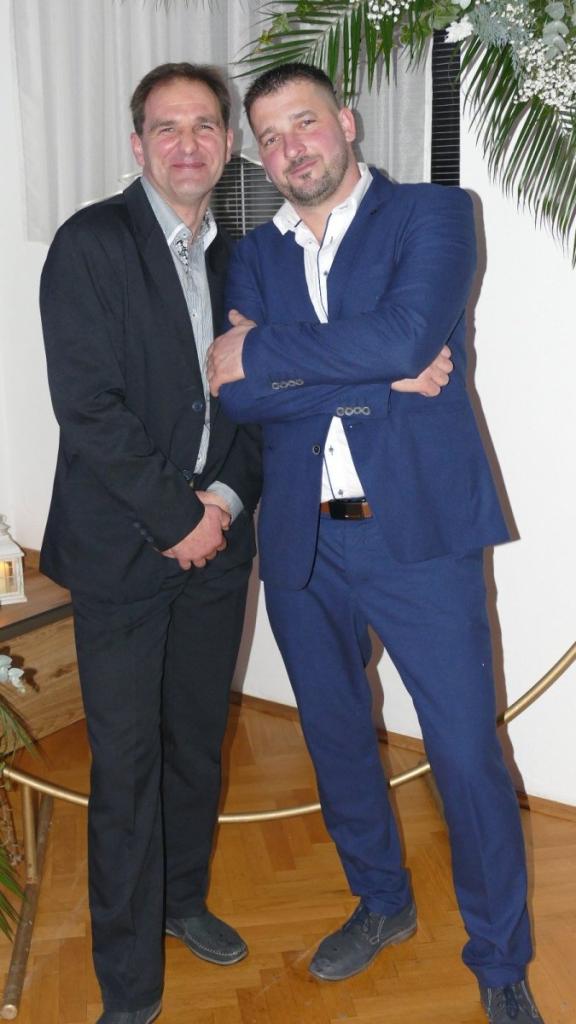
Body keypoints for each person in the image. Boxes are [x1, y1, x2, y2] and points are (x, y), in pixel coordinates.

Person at [206, 63, 545, 1024]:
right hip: (304, 538)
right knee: (337, 738)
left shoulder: (433, 215)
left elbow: (402, 340)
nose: (290, 149)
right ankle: (382, 902)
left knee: (465, 752)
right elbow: (237, 394)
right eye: (270, 137)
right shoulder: (254, 255)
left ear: (347, 122)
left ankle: (500, 957)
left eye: (304, 123)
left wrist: (274, 353)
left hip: (420, 537)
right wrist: (374, 373)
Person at [40, 63, 261, 1024]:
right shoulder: (90, 243)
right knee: (127, 769)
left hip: (218, 546)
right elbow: (90, 408)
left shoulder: (242, 260)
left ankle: (182, 901)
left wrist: (222, 504)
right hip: (124, 553)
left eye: (204, 125)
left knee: (196, 747)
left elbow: (258, 400)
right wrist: (180, 520)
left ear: (227, 144)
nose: (186, 143)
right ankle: (128, 988)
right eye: (166, 128)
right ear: (138, 145)